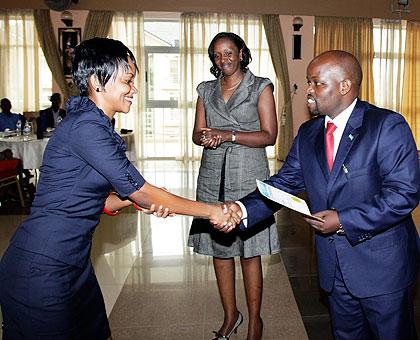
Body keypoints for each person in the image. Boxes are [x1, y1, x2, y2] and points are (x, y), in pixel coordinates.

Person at [0, 37, 232, 339]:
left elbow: (103, 202)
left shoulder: (95, 124)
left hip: (73, 264)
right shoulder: (86, 128)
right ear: (97, 81)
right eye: (128, 80)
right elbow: (143, 192)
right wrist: (212, 210)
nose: (134, 89)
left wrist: (136, 201)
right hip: (41, 269)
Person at [222, 50, 420, 340]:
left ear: (344, 86)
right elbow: (285, 182)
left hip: (383, 270)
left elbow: (404, 194)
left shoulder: (386, 126)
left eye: (317, 83)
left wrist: (344, 220)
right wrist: (243, 208)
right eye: (308, 82)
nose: (309, 91)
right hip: (334, 269)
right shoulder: (309, 133)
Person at [188, 32, 279, 340]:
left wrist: (227, 134)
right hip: (213, 177)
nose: (223, 59)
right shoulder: (205, 90)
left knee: (249, 252)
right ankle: (231, 316)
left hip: (248, 176)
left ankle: (255, 320)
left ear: (241, 52)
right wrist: (207, 136)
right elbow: (196, 134)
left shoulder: (261, 86)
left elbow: (269, 136)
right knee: (220, 251)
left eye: (228, 53)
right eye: (216, 55)